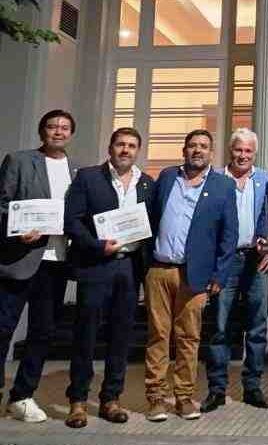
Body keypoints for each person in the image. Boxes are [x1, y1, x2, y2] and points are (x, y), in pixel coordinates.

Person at [63, 127, 155, 428]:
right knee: (86, 334)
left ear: (138, 150)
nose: (125, 150)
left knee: (121, 335)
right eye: (120, 144)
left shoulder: (147, 183)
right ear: (110, 147)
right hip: (95, 264)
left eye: (131, 145)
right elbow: (72, 221)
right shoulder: (88, 177)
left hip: (129, 268)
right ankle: (78, 400)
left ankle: (111, 399)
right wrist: (96, 245)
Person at [144, 129, 238, 422]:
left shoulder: (223, 185)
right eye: (193, 145)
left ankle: (184, 397)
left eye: (204, 146)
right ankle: (156, 397)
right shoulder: (167, 177)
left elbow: (229, 235)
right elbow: (150, 218)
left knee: (188, 337)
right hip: (160, 269)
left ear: (212, 152)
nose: (198, 150)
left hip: (196, 275)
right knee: (158, 335)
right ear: (184, 150)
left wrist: (219, 275)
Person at [0, 109, 78, 422]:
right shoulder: (19, 161)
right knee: (3, 327)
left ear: (71, 134)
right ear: (42, 130)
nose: (58, 132)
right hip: (21, 258)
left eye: (64, 127)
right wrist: (17, 229)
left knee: (43, 332)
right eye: (52, 126)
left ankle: (21, 396)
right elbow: (2, 204)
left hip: (56, 262)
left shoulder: (77, 170)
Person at [201, 129, 268, 413]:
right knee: (219, 327)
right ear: (230, 151)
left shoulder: (266, 179)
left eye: (248, 151)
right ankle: (216, 389)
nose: (243, 156)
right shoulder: (215, 179)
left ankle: (252, 387)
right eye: (238, 150)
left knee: (257, 326)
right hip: (225, 261)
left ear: (255, 153)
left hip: (257, 260)